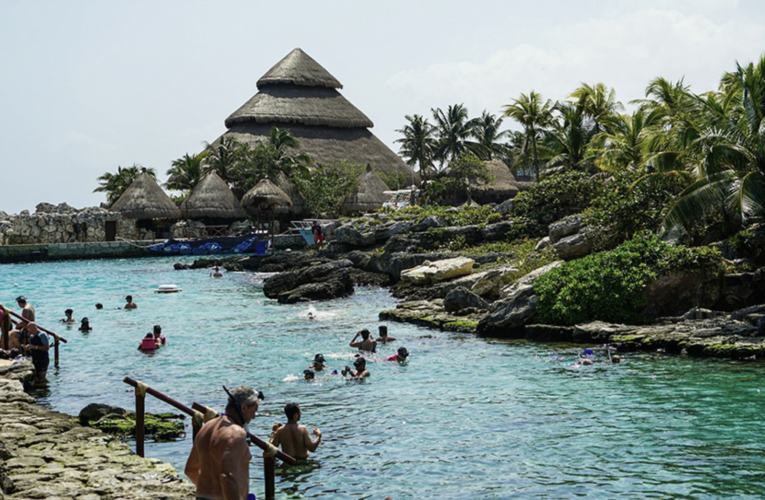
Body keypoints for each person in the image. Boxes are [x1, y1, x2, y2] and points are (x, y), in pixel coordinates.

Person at [185, 386, 263, 500]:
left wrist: (209, 490)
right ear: (244, 407)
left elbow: (190, 470)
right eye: (254, 411)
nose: (254, 416)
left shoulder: (207, 427)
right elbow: (227, 477)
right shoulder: (236, 433)